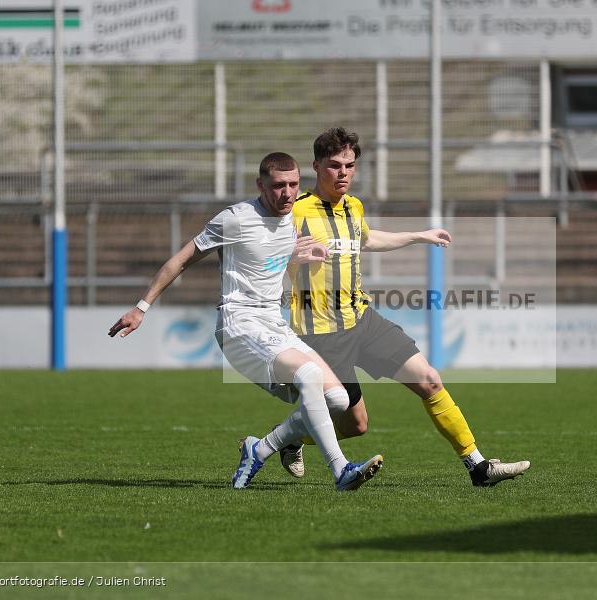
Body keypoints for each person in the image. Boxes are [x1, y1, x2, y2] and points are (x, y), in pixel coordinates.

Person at [107, 152, 383, 492]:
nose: (287, 194)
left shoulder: (291, 219)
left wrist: (294, 256)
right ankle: (341, 470)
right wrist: (141, 307)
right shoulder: (235, 219)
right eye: (278, 186)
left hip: (274, 323)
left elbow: (269, 257)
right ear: (260, 185)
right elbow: (181, 260)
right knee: (309, 375)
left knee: (338, 399)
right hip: (239, 323)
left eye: (294, 185)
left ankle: (260, 448)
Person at [281, 128, 530, 487]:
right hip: (321, 332)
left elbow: (367, 239)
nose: (343, 173)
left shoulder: (353, 207)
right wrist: (290, 254)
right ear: (316, 166)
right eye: (334, 165)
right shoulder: (295, 211)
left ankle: (478, 467)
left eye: (349, 165)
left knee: (429, 380)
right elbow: (261, 253)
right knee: (356, 425)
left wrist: (417, 236)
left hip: (363, 321)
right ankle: (289, 438)